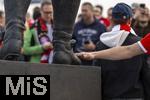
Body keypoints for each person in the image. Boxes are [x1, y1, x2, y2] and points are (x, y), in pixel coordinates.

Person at [2, 0, 81, 64]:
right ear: (41, 11)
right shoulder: (32, 27)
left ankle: (12, 37)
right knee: (62, 46)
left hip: (49, 61)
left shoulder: (54, 24)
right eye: (46, 12)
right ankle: (63, 48)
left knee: (14, 40)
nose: (49, 15)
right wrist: (42, 48)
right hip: (37, 63)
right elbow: (25, 49)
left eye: (50, 12)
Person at [93, 3, 146, 99]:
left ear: (112, 19)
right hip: (135, 96)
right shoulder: (140, 43)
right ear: (130, 19)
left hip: (109, 95)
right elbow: (146, 74)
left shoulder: (100, 44)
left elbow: (97, 76)